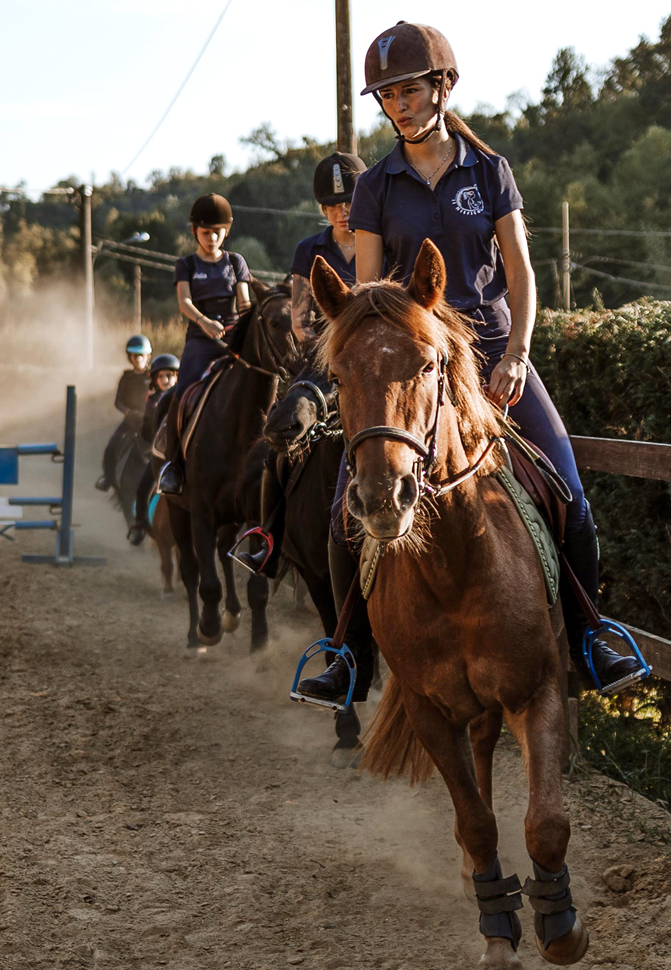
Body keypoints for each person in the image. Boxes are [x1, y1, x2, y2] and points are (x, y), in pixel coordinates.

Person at [297, 21, 643, 703]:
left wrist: (517, 355)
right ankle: (348, 655)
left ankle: (587, 636)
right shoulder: (376, 187)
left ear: (442, 87)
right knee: (345, 508)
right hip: (412, 359)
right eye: (387, 94)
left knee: (567, 489)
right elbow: (367, 296)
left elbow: (520, 270)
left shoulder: (489, 172)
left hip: (489, 349)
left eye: (408, 90)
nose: (397, 104)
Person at [233, 153, 365, 573]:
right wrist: (333, 350)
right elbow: (301, 322)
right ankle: (268, 540)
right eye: (333, 205)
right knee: (277, 440)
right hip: (321, 362)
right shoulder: (309, 250)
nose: (342, 212)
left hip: (373, 360)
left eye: (350, 202)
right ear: (322, 209)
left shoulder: (383, 239)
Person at [157, 194, 251, 495]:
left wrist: (247, 323)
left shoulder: (236, 262)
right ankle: (173, 465)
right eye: (205, 231)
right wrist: (205, 322)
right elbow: (184, 302)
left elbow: (245, 302)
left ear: (227, 231)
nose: (212, 237)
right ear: (194, 231)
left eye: (217, 231)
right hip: (200, 340)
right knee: (182, 392)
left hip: (233, 337)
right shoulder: (185, 264)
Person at [127, 353, 180, 546]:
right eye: (162, 376)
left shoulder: (186, 397)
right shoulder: (153, 402)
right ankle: (140, 524)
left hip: (181, 455)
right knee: (142, 489)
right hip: (160, 455)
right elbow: (149, 432)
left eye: (170, 376)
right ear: (155, 380)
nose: (166, 380)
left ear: (176, 377)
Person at [95, 334, 152, 492]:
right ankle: (108, 478)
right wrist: (129, 412)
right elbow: (118, 401)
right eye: (134, 355)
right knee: (112, 445)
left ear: (147, 356)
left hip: (152, 421)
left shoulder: (154, 376)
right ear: (130, 357)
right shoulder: (127, 377)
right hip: (131, 421)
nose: (138, 358)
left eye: (141, 355)